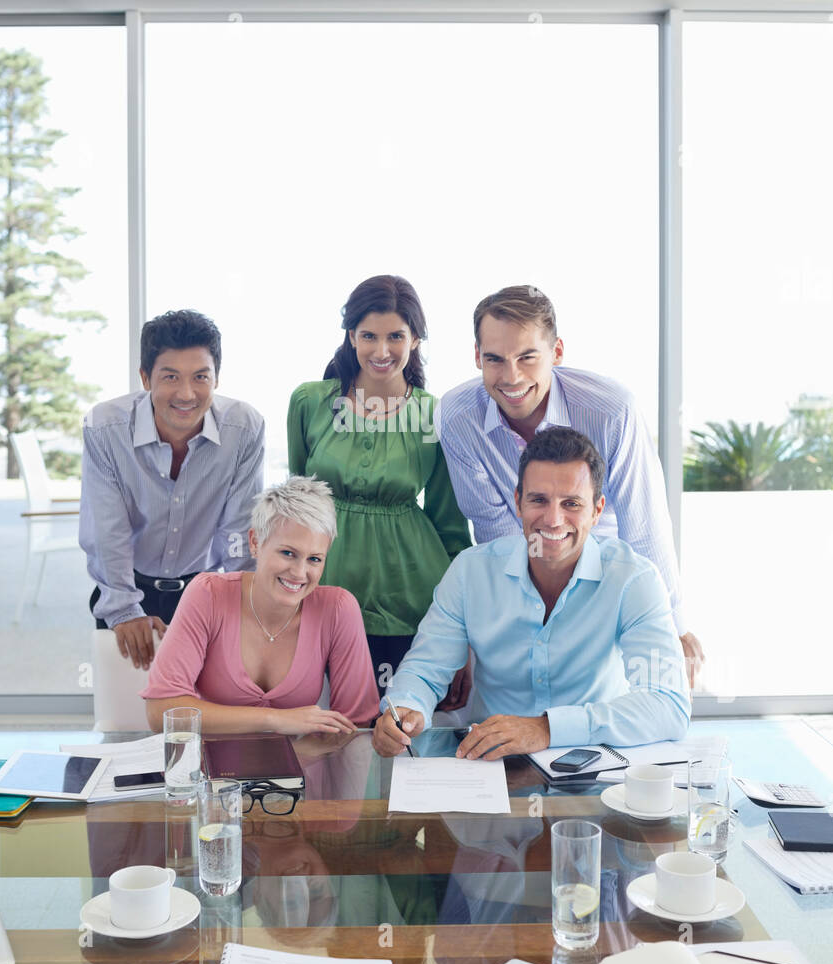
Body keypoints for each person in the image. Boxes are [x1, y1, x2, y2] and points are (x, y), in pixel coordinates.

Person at [437, 285, 704, 685]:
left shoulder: (612, 410)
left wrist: (672, 627)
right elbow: (495, 532)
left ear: (557, 352)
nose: (511, 377)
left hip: (607, 577)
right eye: (494, 359)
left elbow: (644, 526)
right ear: (477, 356)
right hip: (527, 573)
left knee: (617, 705)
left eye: (527, 357)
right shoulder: (457, 417)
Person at [373, 426, 690, 759]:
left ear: (597, 511)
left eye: (572, 503)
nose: (553, 520)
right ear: (518, 502)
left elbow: (668, 704)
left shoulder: (633, 579)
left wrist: (547, 728)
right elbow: (424, 669)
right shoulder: (471, 572)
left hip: (592, 764)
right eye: (539, 500)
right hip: (491, 765)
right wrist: (405, 708)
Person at [287, 275, 472, 692]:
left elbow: (451, 527)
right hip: (322, 591)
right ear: (351, 336)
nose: (382, 351)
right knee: (328, 725)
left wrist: (463, 631)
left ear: (416, 340)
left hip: (414, 597)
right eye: (369, 335)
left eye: (396, 337)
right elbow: (295, 512)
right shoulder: (308, 402)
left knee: (406, 733)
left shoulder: (434, 415)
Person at [79, 309, 264, 670]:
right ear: (146, 378)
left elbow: (240, 532)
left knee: (206, 714)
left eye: (200, 377)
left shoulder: (244, 427)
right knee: (128, 713)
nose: (186, 393)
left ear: (217, 378)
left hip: (206, 592)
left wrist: (245, 610)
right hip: (126, 587)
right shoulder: (106, 428)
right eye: (170, 377)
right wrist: (123, 610)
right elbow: (106, 530)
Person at [141, 476, 379, 733]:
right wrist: (274, 720)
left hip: (303, 767)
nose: (300, 573)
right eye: (288, 553)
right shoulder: (208, 594)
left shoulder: (338, 609)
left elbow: (355, 726)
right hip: (212, 769)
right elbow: (160, 711)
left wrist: (296, 758)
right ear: (255, 543)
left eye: (314, 559)